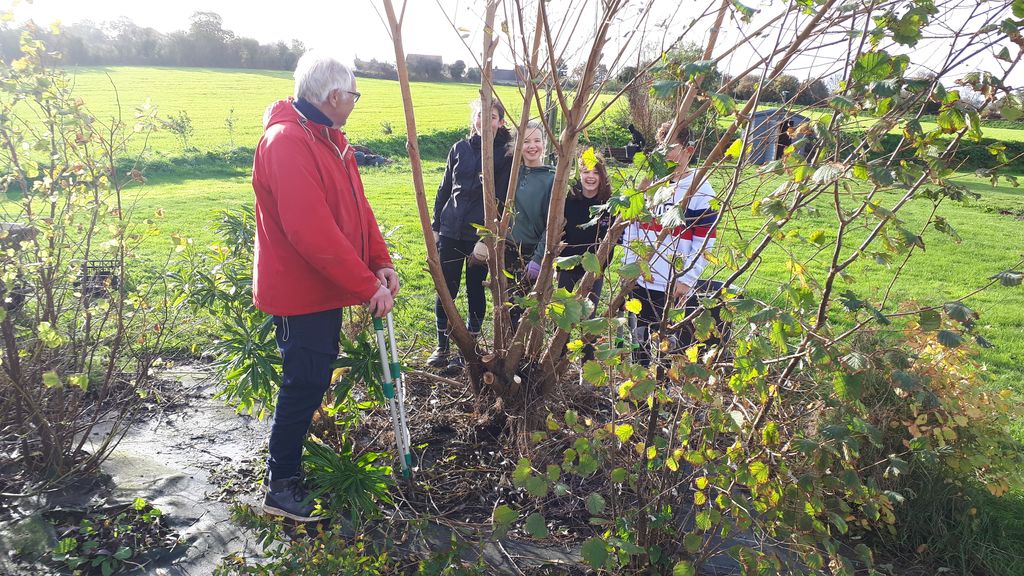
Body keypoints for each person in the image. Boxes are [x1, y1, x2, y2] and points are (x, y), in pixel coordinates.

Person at [251, 50, 399, 522]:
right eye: (354, 93)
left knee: (310, 380)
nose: (356, 101)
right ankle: (281, 487)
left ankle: (289, 469)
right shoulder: (287, 143)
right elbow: (309, 230)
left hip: (325, 289)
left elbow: (359, 207)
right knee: (303, 384)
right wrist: (364, 285)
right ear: (334, 95)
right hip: (301, 294)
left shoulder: (333, 141)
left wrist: (379, 261)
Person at [621, 121, 718, 366]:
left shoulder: (701, 190)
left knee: (667, 348)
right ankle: (637, 394)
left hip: (672, 285)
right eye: (662, 147)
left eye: (672, 147)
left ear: (689, 151)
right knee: (638, 343)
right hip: (640, 280)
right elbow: (633, 229)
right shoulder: (650, 185)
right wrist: (629, 267)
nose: (665, 154)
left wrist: (686, 279)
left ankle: (660, 398)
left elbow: (705, 243)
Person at [428, 99, 514, 373]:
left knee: (475, 289)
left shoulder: (504, 155)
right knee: (446, 289)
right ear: (473, 120)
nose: (484, 121)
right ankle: (442, 346)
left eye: (491, 116)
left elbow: (503, 199)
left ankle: (471, 346)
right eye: (480, 115)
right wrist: (435, 227)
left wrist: (488, 238)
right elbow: (444, 189)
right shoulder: (459, 149)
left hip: (480, 236)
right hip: (452, 229)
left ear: (500, 122)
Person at [556, 151, 613, 363]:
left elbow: (613, 239)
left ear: (602, 175)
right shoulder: (569, 200)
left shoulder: (609, 204)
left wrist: (600, 267)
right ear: (578, 173)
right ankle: (559, 362)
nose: (590, 176)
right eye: (585, 171)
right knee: (563, 316)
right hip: (567, 266)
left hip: (594, 269)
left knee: (588, 317)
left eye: (595, 172)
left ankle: (586, 367)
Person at [505, 120, 555, 328]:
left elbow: (552, 224)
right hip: (508, 250)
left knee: (532, 312)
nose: (532, 146)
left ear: (544, 143)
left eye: (537, 140)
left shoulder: (552, 178)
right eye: (526, 141)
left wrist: (537, 258)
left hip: (533, 253)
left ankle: (530, 357)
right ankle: (509, 356)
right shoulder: (511, 173)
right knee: (509, 309)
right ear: (517, 145)